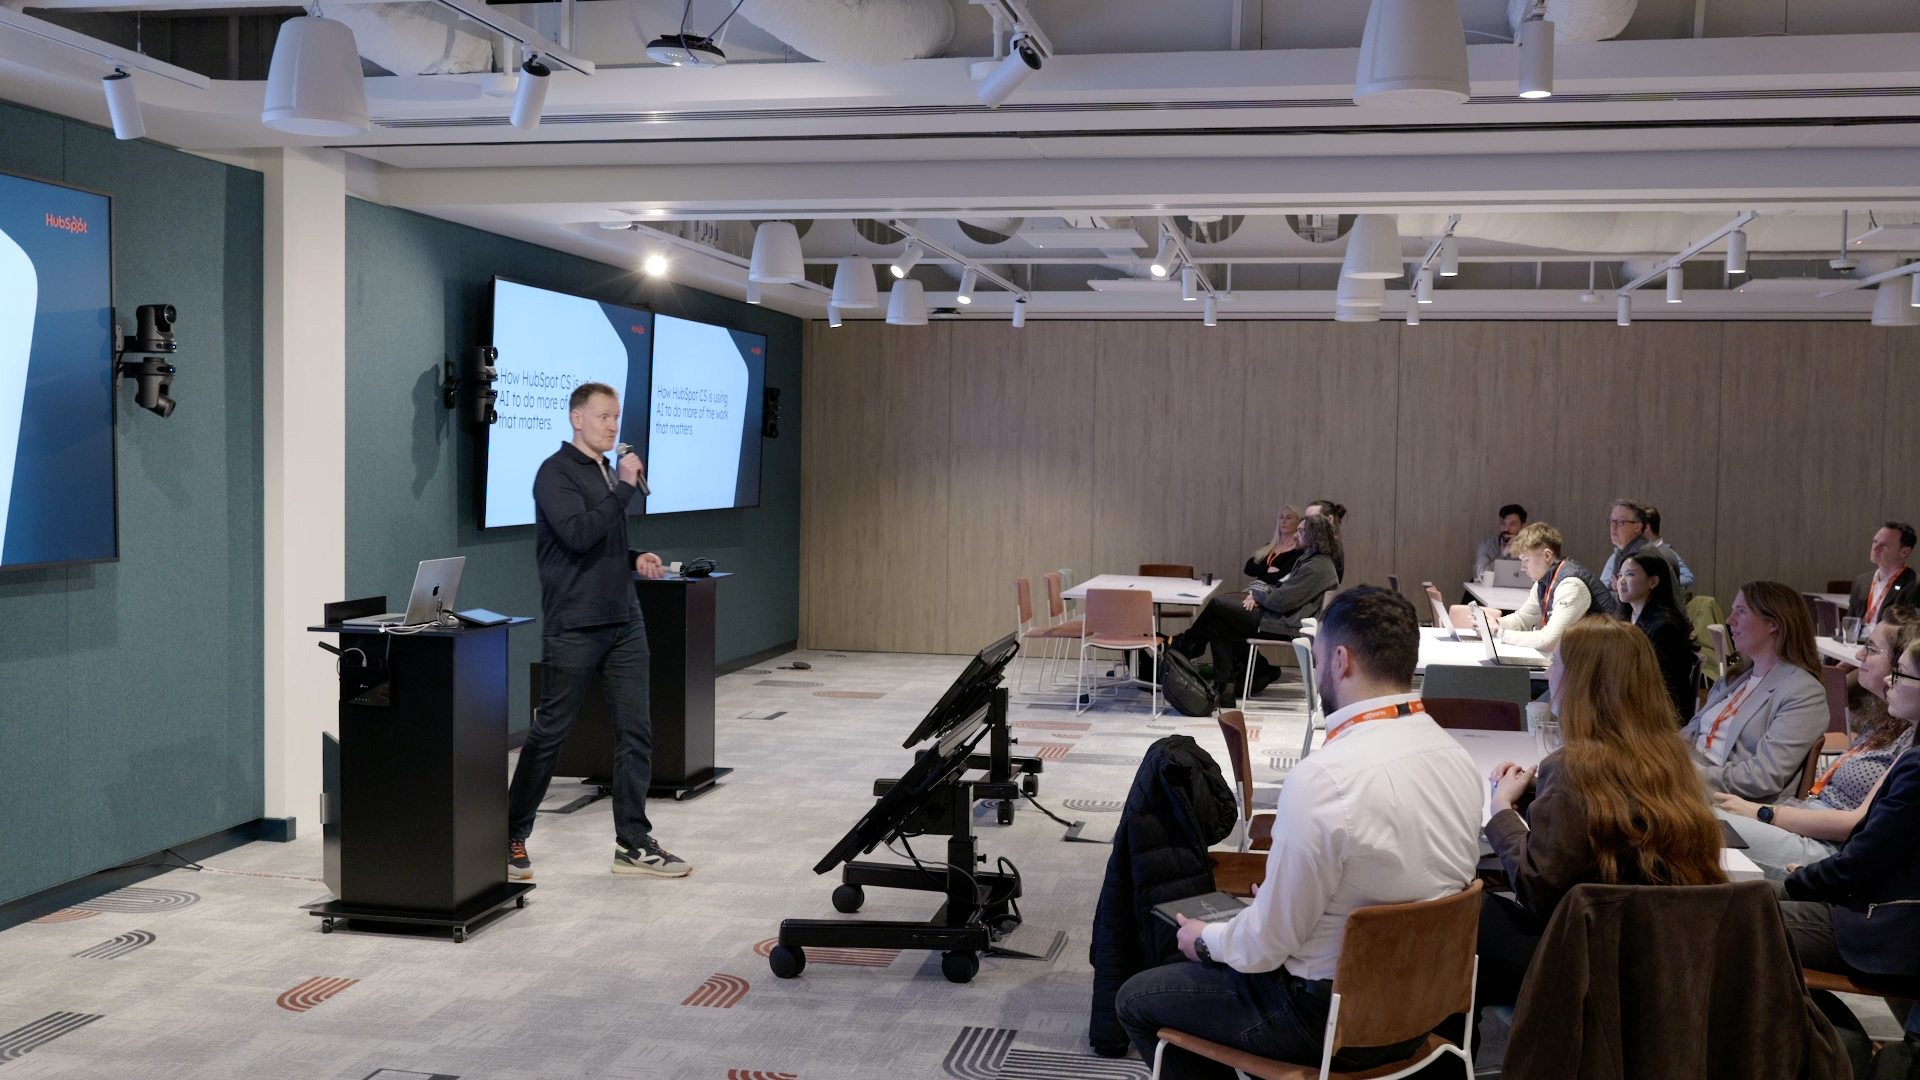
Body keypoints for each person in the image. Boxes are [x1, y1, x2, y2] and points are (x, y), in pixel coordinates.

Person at [1115, 587, 1483, 1076]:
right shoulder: (1456, 756)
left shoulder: (1325, 779)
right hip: (1423, 1006)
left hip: (1326, 1021)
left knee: (1138, 997)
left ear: (1340, 660)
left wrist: (1206, 940)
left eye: (1315, 659)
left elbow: (1265, 948)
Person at [1478, 617, 1726, 1021]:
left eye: (1555, 663)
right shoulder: (1671, 759)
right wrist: (1535, 799)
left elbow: (1537, 888)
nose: (1547, 672)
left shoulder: (1575, 767)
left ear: (1580, 680)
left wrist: (1502, 810)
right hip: (1665, 959)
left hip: (1587, 965)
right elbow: (1607, 831)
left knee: (1471, 912)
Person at [505, 382, 691, 881]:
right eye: (604, 417)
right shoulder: (555, 473)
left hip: (624, 621)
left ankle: (633, 844)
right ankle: (508, 833)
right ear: (577, 419)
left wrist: (634, 557)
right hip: (575, 624)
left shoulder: (609, 471)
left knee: (636, 731)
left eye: (616, 417)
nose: (613, 426)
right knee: (550, 734)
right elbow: (578, 533)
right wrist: (626, 489)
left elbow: (603, 540)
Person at [1715, 610, 1920, 878]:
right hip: (1803, 821)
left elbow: (1857, 823)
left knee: (1692, 825)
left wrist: (1762, 812)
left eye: (1871, 648)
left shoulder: (1911, 735)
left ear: (1899, 662)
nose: (1859, 656)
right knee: (1683, 815)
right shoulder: (1884, 718)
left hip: (1827, 849)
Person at [1777, 628, 1920, 984]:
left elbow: (1864, 861)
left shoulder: (1918, 768)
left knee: (1731, 917)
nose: (1889, 679)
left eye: (1900, 673)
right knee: (1737, 900)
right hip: (1873, 905)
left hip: (1887, 930)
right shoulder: (1912, 754)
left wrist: (1803, 881)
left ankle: (1819, 1038)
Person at [1679, 581, 1828, 803]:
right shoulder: (1734, 678)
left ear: (1774, 623)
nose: (1730, 620)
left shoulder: (1803, 692)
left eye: (1741, 611)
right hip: (1691, 776)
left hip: (1734, 800)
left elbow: (1763, 777)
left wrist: (1687, 775)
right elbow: (1690, 735)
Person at [1171, 515, 1341, 706]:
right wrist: (1258, 596)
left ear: (1314, 536)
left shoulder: (1317, 567)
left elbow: (1283, 600)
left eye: (1301, 531)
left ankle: (1185, 645)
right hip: (1280, 618)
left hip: (1285, 624)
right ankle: (1224, 691)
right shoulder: (1312, 561)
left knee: (1218, 603)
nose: (1296, 535)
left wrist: (1258, 596)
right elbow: (1282, 591)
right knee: (1216, 626)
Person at [1494, 522, 1611, 652]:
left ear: (1547, 555)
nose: (1522, 568)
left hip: (1602, 661)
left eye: (1526, 560)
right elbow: (1522, 619)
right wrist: (1494, 623)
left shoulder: (1571, 585)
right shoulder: (1544, 581)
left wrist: (1500, 633)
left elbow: (1549, 641)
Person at [1612, 552, 1698, 723]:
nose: (1621, 581)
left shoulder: (1665, 627)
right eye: (1620, 575)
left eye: (1630, 574)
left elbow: (1661, 686)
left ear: (1653, 581)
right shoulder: (1626, 619)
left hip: (1654, 715)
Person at [1596, 499, 1682, 595]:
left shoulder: (1643, 554)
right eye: (1612, 521)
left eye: (1620, 522)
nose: (1613, 526)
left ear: (1637, 527)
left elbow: (1634, 600)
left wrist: (1620, 590)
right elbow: (1613, 591)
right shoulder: (1622, 551)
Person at [1849, 521, 1918, 627]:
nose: (1875, 548)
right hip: (1856, 642)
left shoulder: (1914, 586)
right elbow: (1849, 624)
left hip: (1885, 643)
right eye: (1875, 541)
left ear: (1904, 552)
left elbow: (1911, 634)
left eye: (1884, 545)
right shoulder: (1861, 582)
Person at [1641, 505, 1696, 597]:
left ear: (1647, 527)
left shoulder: (1667, 553)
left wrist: (1666, 581)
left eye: (1638, 525)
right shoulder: (1632, 549)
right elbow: (1608, 580)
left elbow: (1688, 577)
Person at [1245, 504, 1303, 587]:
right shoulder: (1269, 546)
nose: (1283, 521)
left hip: (1274, 592)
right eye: (1281, 517)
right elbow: (1248, 567)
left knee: (1225, 599)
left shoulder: (1298, 550)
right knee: (1225, 598)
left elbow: (1281, 576)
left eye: (1289, 517)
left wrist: (1260, 570)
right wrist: (1267, 569)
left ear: (1299, 522)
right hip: (1256, 588)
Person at [1474, 503, 1527, 580]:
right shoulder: (1487, 546)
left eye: (1513, 524)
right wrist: (1503, 553)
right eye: (1503, 523)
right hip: (1491, 591)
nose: (1506, 529)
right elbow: (1480, 576)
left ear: (1522, 527)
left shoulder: (1532, 548)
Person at [1303, 499, 1347, 580]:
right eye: (1306, 519)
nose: (1307, 524)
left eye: (1313, 518)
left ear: (1330, 519)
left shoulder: (1333, 548)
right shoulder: (1315, 544)